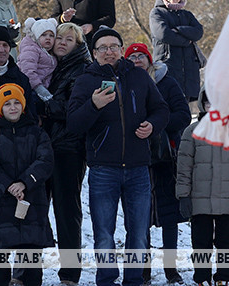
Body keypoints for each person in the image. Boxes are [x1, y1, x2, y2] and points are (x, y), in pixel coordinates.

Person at [67, 26, 169, 286]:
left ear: (121, 50)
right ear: (94, 53)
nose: (109, 51)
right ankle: (107, 279)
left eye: (114, 47)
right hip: (103, 169)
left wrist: (152, 125)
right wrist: (93, 105)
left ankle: (134, 280)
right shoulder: (85, 80)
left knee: (138, 233)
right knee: (104, 233)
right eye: (103, 48)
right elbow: (73, 124)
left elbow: (161, 110)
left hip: (138, 168)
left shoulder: (139, 76)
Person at [124, 42, 190, 284]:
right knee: (140, 216)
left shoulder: (167, 82)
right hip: (134, 158)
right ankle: (144, 268)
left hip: (166, 157)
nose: (137, 60)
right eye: (132, 57)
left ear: (150, 60)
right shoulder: (124, 83)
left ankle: (171, 268)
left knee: (169, 215)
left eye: (141, 56)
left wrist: (156, 124)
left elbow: (183, 113)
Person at [0, 83, 54, 286]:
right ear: (0, 108)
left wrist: (25, 183)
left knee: (31, 261)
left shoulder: (38, 134)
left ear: (23, 106)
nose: (13, 107)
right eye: (8, 104)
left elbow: (45, 161)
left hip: (32, 203)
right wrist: (9, 185)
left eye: (17, 103)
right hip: (2, 203)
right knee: (0, 260)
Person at [178, 89, 229, 286]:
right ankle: (201, 278)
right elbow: (184, 166)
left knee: (226, 242)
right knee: (201, 242)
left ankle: (223, 277)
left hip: (228, 199)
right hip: (199, 199)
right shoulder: (192, 131)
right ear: (204, 106)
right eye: (209, 104)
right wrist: (183, 196)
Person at [38, 22, 91, 286]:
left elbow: (72, 109)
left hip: (69, 149)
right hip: (43, 147)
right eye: (59, 37)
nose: (61, 42)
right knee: (35, 210)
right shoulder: (49, 66)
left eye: (69, 40)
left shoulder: (82, 70)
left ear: (78, 45)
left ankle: (70, 273)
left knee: (66, 212)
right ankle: (26, 272)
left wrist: (41, 105)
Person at [149, 0, 203, 101]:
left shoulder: (187, 15)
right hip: (167, 66)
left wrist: (178, 30)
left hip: (188, 72)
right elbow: (163, 33)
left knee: (185, 112)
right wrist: (186, 41)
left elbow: (198, 32)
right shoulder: (157, 13)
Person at [17, 17, 58, 102]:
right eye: (43, 35)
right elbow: (28, 72)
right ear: (36, 36)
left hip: (42, 88)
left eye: (51, 35)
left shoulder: (49, 52)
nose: (48, 38)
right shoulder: (31, 49)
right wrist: (40, 89)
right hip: (29, 88)